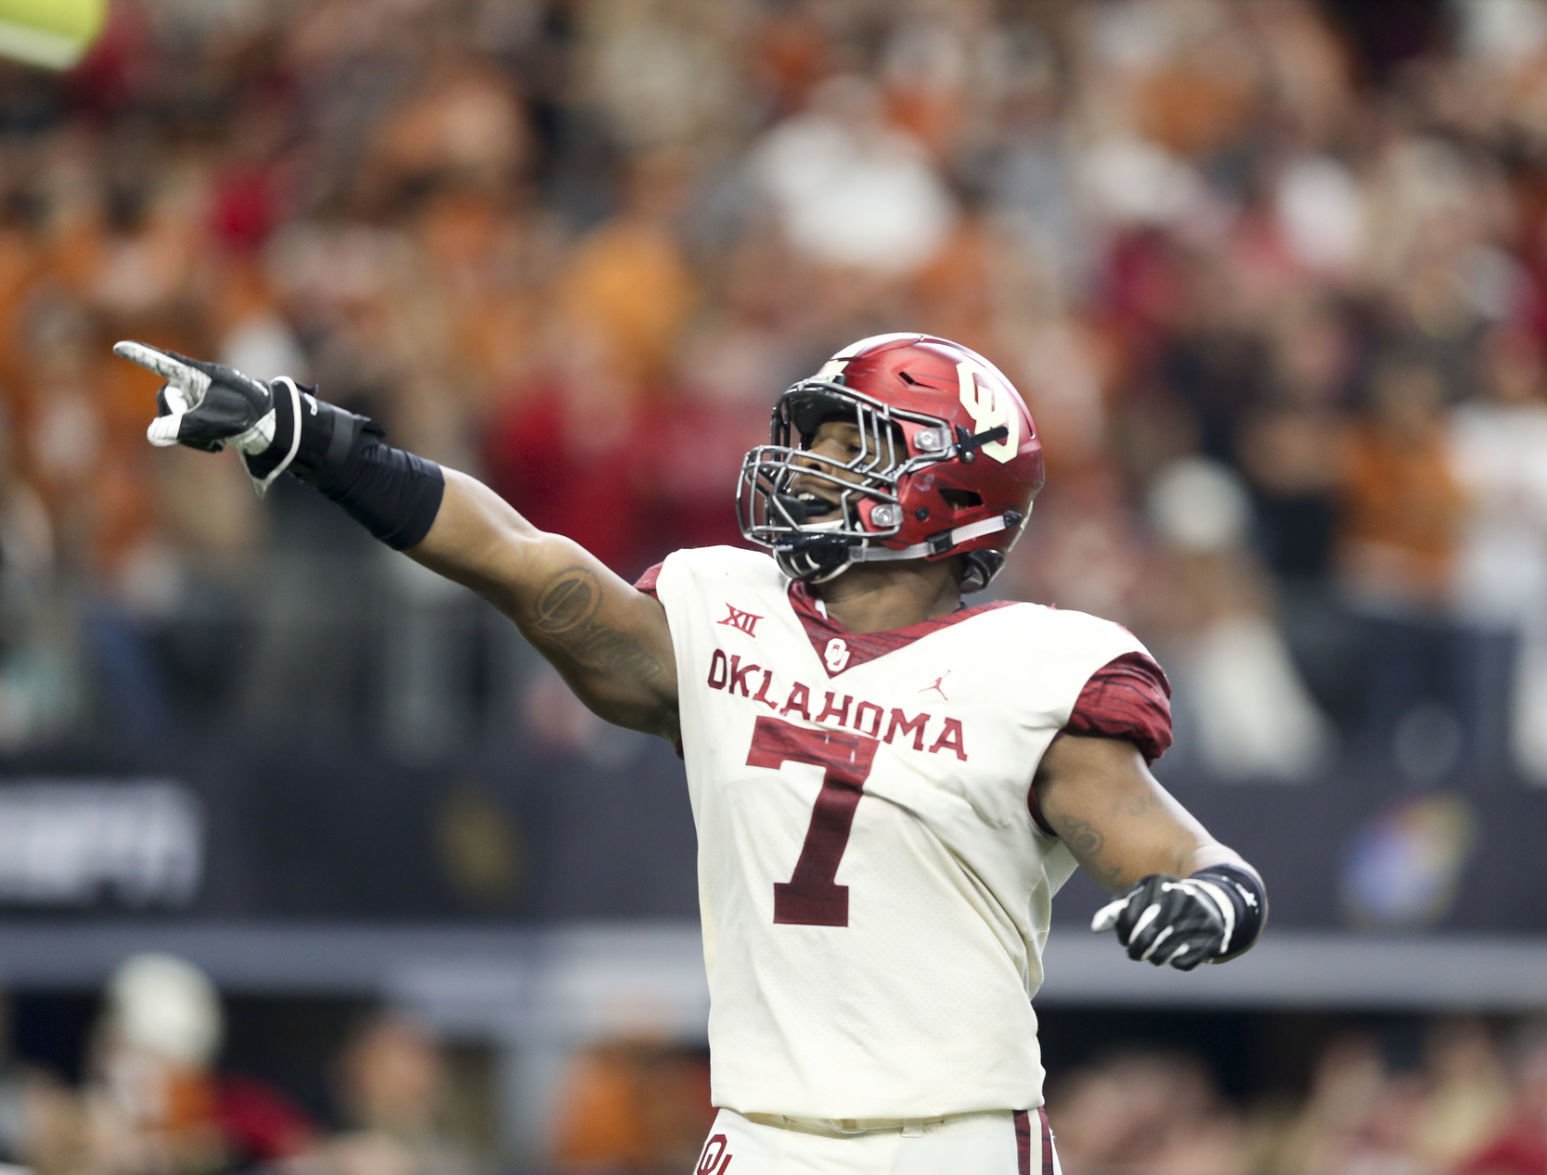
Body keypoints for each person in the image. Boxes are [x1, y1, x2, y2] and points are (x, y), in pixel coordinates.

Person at [115, 332, 1267, 1174]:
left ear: (945, 483)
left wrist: (1211, 890)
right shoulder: (727, 609)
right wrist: (314, 438)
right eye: (807, 442)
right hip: (757, 1132)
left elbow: (1157, 836)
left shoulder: (1035, 664)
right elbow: (519, 558)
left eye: (843, 445)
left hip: (955, 1137)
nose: (802, 467)